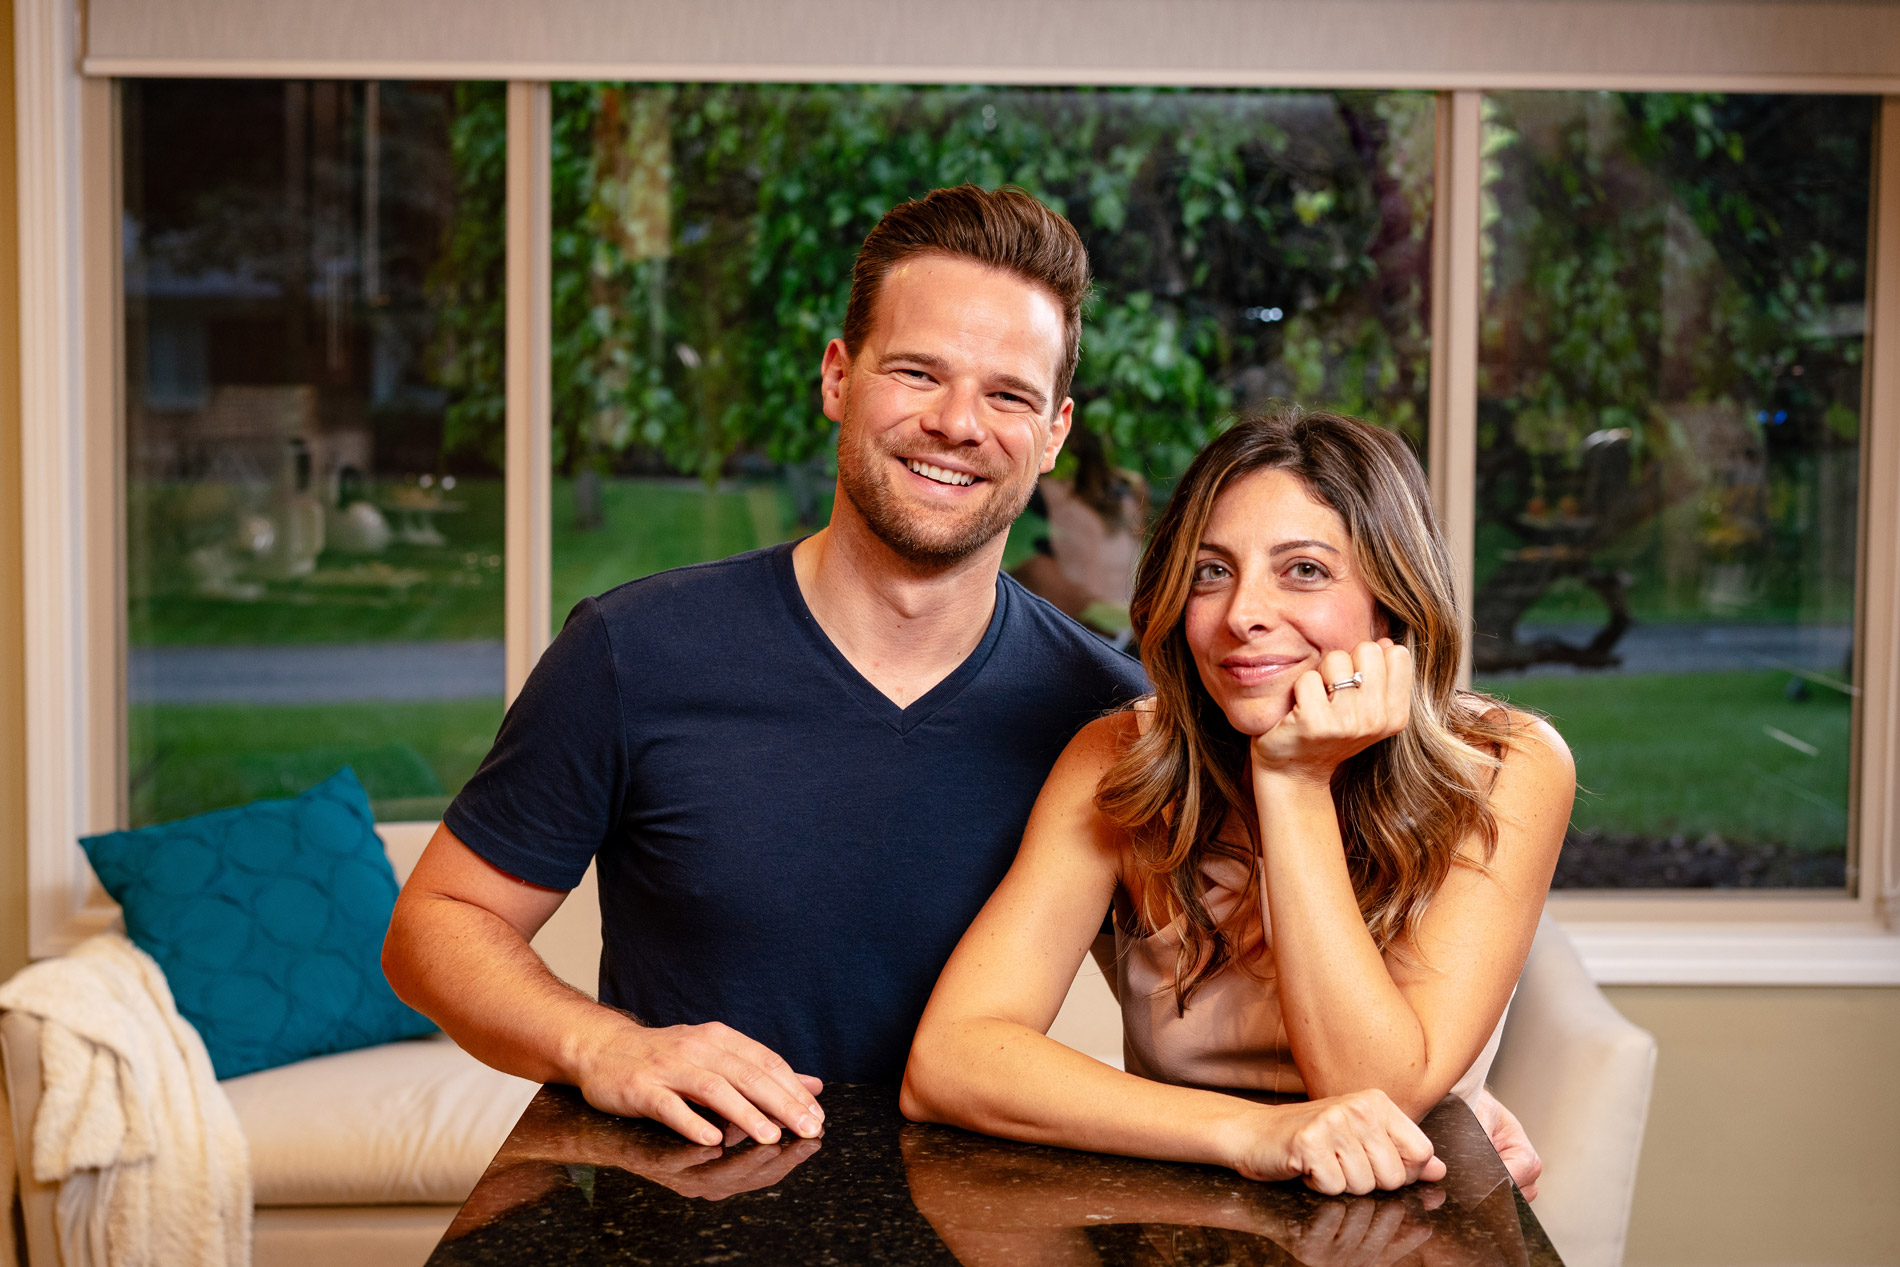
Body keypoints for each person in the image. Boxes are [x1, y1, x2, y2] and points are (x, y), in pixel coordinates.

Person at [383, 185, 1539, 1196]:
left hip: (986, 1211)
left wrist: (1431, 1100)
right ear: (839, 379)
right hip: (690, 1197)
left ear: (1052, 433)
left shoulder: (1107, 709)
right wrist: (606, 1048)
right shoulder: (635, 651)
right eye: (917, 371)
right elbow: (436, 927)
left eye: (1005, 394)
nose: (954, 423)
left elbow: (1256, 994)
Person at [901, 409, 1574, 1198]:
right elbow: (951, 1059)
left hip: (1400, 1221)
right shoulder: (1121, 762)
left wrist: (1293, 779)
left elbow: (1378, 1091)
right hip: (1182, 1213)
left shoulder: (1505, 765)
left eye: (1305, 570)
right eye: (1212, 571)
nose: (1242, 613)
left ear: (1390, 603)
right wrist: (1253, 1131)